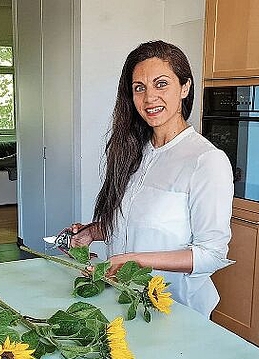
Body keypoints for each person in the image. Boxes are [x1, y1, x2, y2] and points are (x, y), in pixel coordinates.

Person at [69, 40, 234, 317]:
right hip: (126, 301)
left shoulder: (206, 161)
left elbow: (211, 255)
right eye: (139, 88)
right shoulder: (133, 152)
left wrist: (134, 261)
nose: (149, 98)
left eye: (161, 84)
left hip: (176, 311)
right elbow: (137, 224)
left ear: (185, 87)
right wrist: (93, 231)